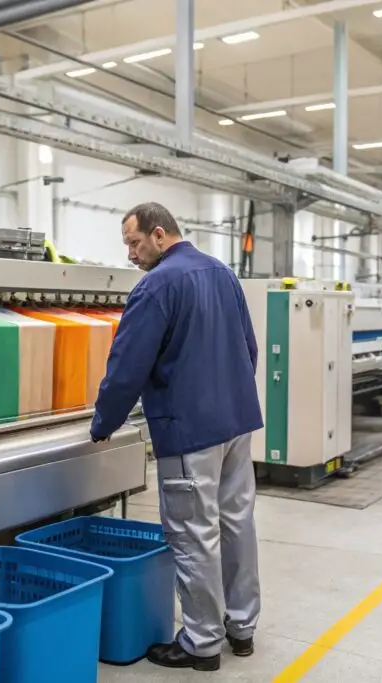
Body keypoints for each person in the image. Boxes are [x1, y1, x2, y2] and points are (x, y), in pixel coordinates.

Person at [89, 202, 263, 672]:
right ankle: (241, 627)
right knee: (236, 522)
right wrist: (230, 397)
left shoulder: (157, 285)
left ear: (159, 234)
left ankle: (202, 642)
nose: (130, 255)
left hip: (189, 430)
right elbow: (249, 347)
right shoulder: (223, 273)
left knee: (193, 533)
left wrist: (103, 422)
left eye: (134, 242)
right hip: (236, 423)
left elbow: (128, 366)